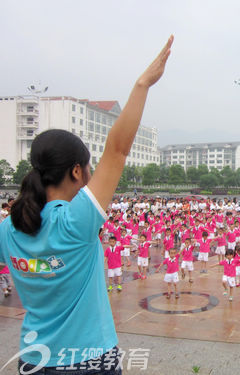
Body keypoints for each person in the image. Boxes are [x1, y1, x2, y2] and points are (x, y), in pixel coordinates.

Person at [0, 36, 174, 373]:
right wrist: (142, 85)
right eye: (89, 167)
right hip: (89, 360)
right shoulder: (76, 222)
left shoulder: (8, 229)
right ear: (77, 171)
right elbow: (119, 149)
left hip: (33, 359)